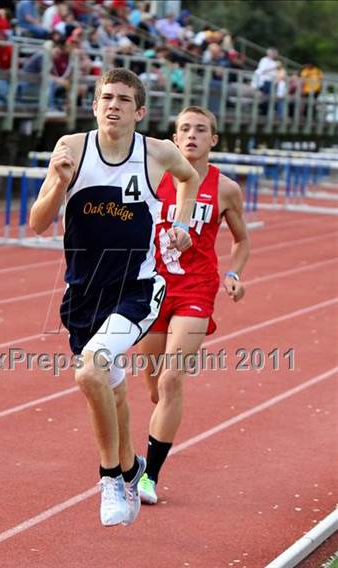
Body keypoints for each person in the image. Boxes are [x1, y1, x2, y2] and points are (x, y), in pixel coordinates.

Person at [29, 68, 200, 527]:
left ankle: (109, 477)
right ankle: (131, 467)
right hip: (82, 293)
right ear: (94, 105)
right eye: (106, 97)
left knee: (90, 372)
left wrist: (180, 224)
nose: (114, 105)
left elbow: (189, 179)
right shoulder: (71, 148)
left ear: (140, 111)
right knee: (112, 391)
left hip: (138, 288)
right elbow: (37, 222)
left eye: (124, 99)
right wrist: (60, 184)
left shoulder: (157, 152)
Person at [136, 106, 250, 505]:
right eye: (184, 128)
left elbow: (241, 241)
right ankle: (162, 420)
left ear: (213, 140)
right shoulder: (155, 178)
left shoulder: (225, 188)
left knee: (171, 380)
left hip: (196, 292)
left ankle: (148, 477)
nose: (191, 135)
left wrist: (234, 275)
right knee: (153, 387)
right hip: (151, 288)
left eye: (201, 129)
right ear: (174, 135)